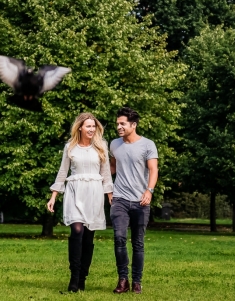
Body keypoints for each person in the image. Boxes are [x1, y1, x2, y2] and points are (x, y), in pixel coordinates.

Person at [47, 112, 113, 292]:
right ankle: (74, 279)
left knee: (88, 238)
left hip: (94, 193)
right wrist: (53, 196)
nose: (91, 129)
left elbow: (106, 174)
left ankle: (83, 277)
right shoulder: (70, 147)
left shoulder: (101, 147)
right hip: (75, 192)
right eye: (88, 126)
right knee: (77, 231)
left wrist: (110, 196)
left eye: (93, 126)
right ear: (80, 128)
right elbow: (62, 172)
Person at [109, 107, 158, 294]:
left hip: (140, 201)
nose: (119, 127)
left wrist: (149, 191)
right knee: (119, 238)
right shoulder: (114, 144)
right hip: (119, 199)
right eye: (117, 124)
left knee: (138, 243)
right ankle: (123, 280)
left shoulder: (148, 145)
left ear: (133, 125)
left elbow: (153, 170)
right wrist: (105, 187)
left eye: (123, 124)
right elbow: (112, 168)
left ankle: (137, 281)